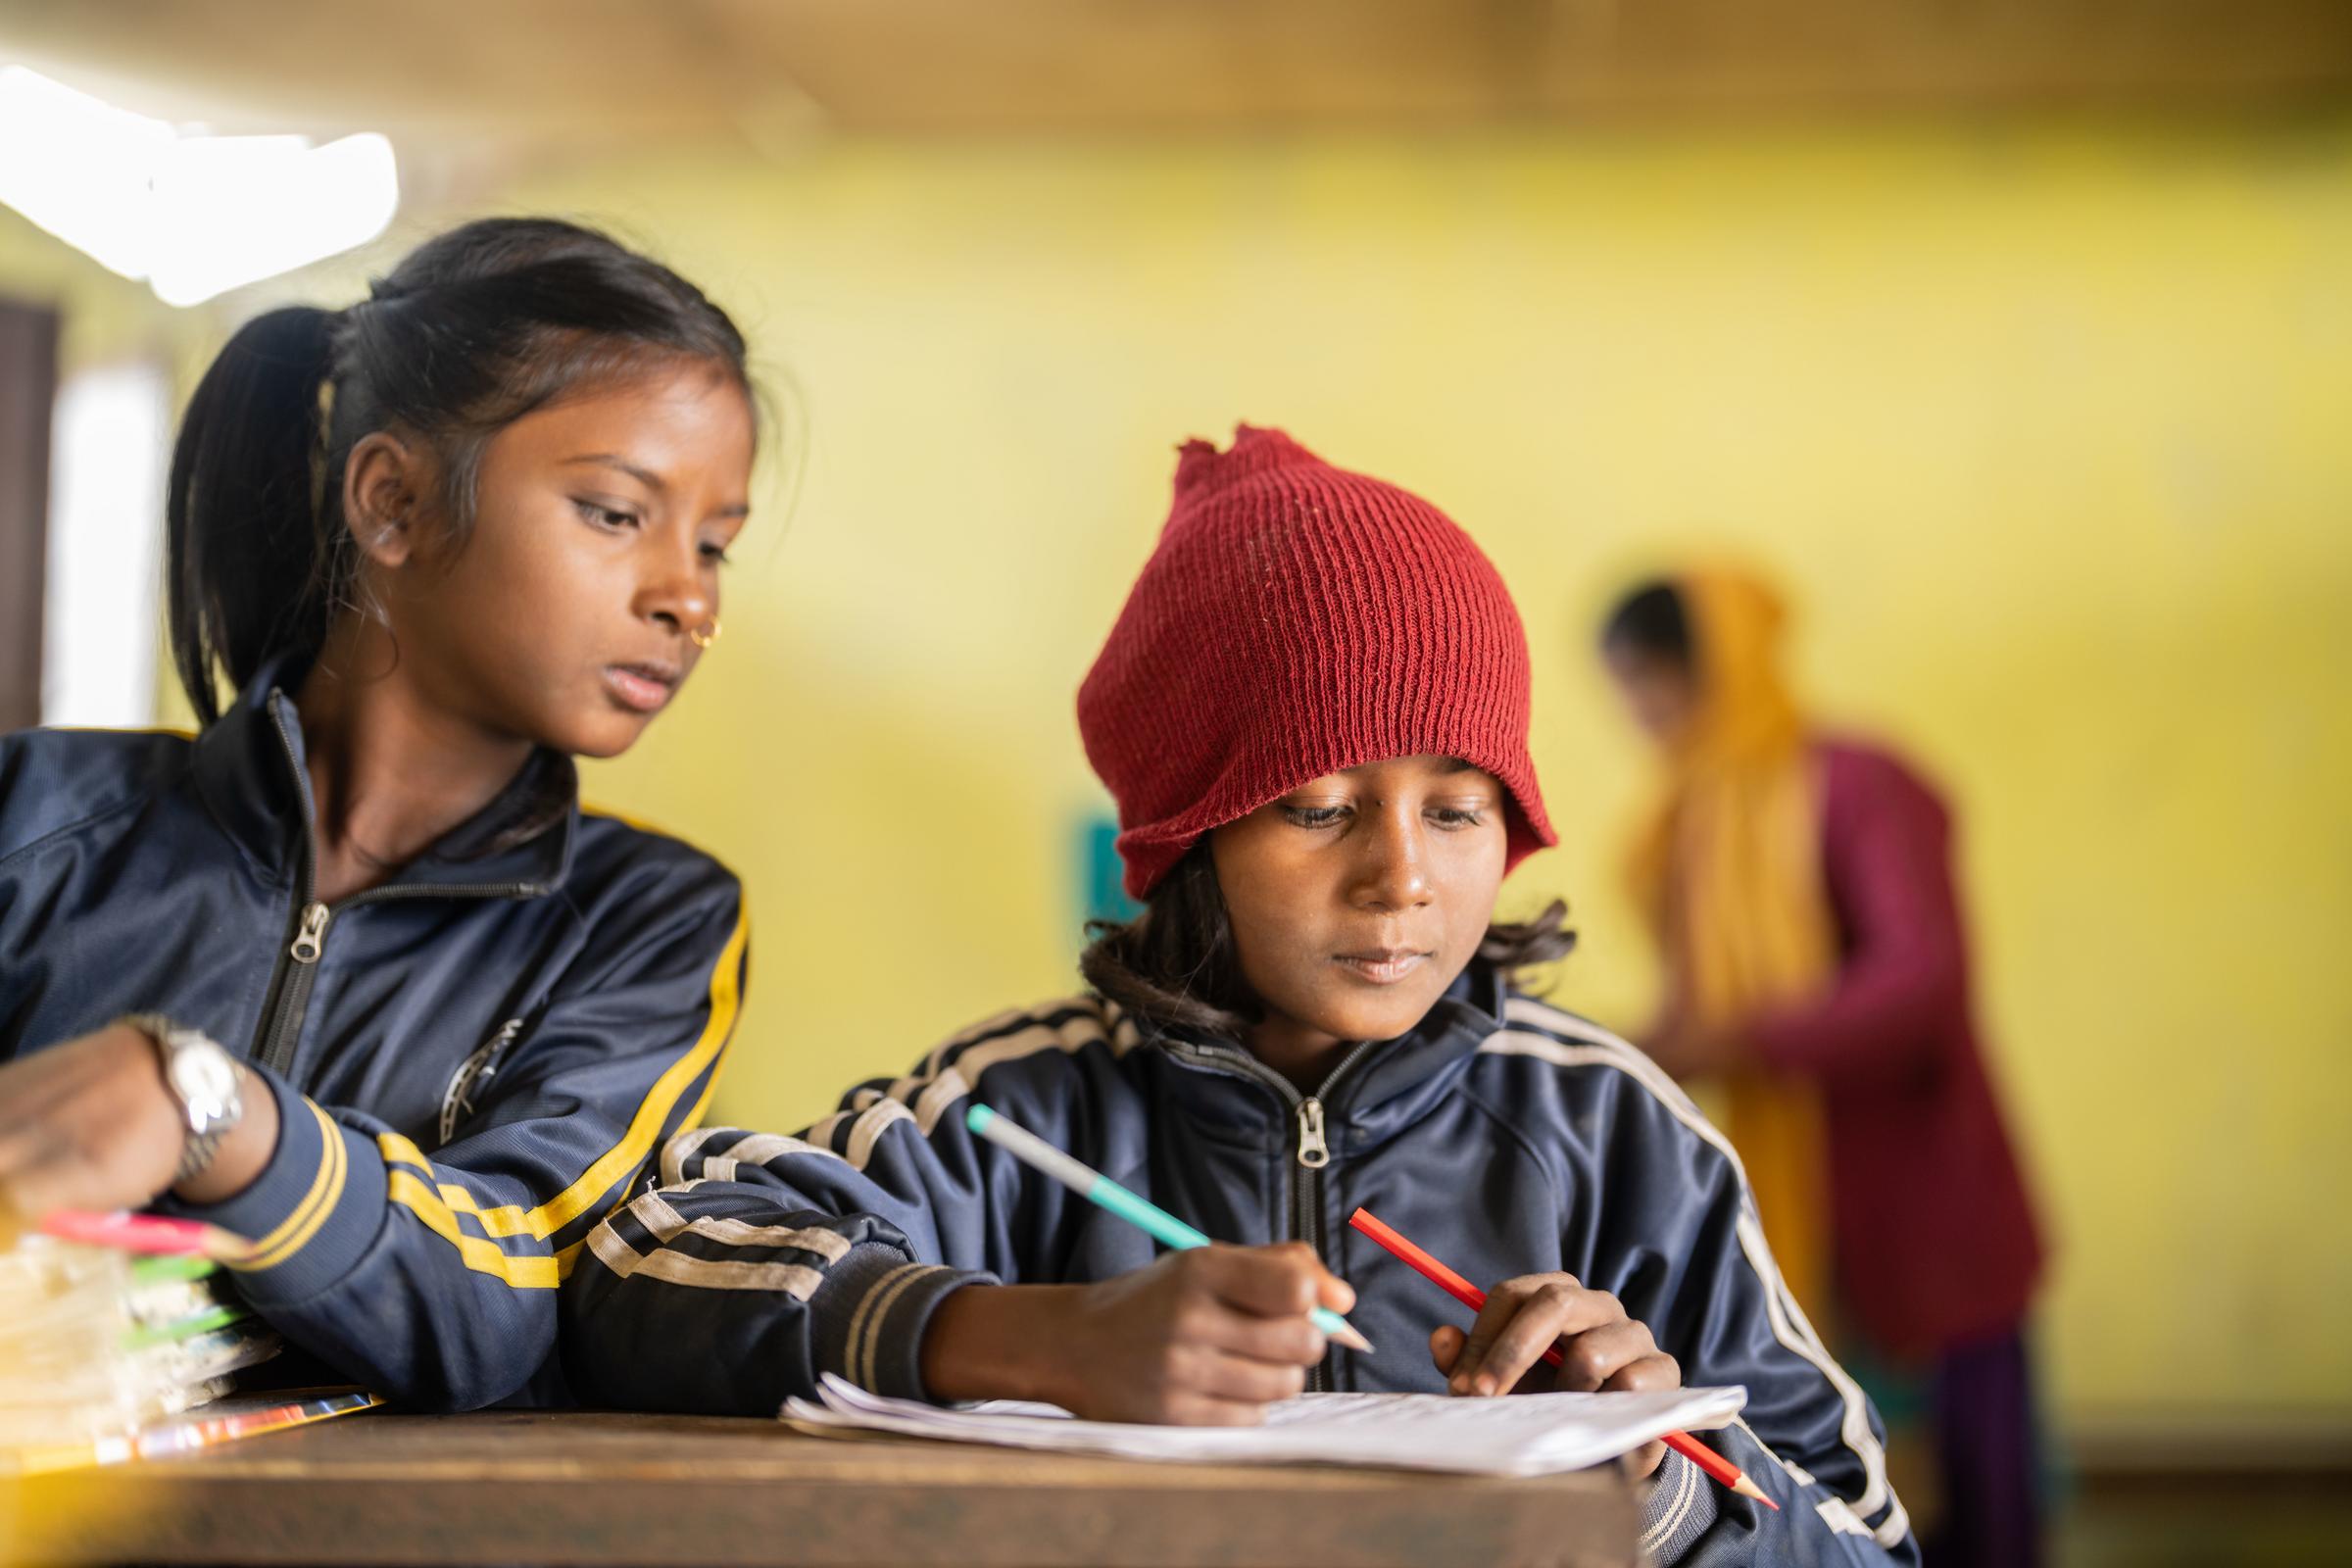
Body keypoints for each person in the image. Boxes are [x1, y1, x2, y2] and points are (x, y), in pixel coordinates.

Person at [564, 427, 1915, 1566]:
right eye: (1319, 808)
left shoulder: (1616, 1132)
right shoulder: (1013, 1110)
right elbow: (641, 1261)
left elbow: (1867, 1539)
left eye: (1458, 808)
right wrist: (1027, 1336)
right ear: (1185, 843)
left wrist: (1665, 1481)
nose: (1403, 878)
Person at [0, 218, 760, 1411]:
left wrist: (211, 1110)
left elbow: (515, 1297)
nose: (688, 598)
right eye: (617, 513)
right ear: (394, 503)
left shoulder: (648, 922)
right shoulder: (28, 816)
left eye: (716, 544)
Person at [1603, 569, 2044, 1567]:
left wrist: (1741, 1041)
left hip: (1910, 1182)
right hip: (1787, 1186)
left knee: (1963, 1483)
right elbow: (1698, 997)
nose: (1644, 716)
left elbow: (1920, 976)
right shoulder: (1689, 816)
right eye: (1628, 692)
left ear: (1716, 666)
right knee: (1840, 1457)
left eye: (1654, 685)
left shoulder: (1855, 784)